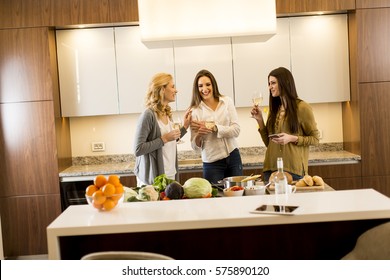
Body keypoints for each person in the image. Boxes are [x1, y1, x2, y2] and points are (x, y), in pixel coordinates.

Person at [251, 67, 320, 183]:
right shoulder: (275, 109)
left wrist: (292, 138)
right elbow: (269, 143)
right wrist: (260, 120)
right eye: (269, 83)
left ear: (285, 83)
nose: (270, 87)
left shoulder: (302, 108)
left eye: (273, 83)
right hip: (271, 169)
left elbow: (315, 139)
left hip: (292, 170)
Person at [133, 73, 192, 186]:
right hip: (153, 178)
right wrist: (163, 139)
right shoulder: (148, 115)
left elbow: (170, 139)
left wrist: (184, 127)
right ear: (162, 89)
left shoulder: (166, 112)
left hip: (170, 174)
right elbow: (138, 149)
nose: (176, 90)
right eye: (172, 86)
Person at [190, 69, 243, 184]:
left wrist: (215, 128)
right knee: (215, 199)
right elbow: (195, 146)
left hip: (233, 156)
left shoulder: (227, 102)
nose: (204, 89)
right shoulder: (195, 111)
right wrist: (200, 134)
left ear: (213, 84)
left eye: (208, 84)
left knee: (237, 195)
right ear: (196, 89)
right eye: (200, 86)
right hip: (212, 163)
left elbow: (236, 130)